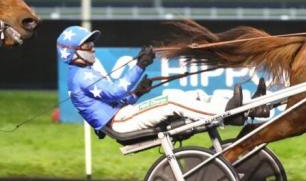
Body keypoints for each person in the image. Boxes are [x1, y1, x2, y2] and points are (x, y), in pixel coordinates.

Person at [57, 25, 233, 134]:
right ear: (72, 52)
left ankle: (231, 105)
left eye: (92, 45)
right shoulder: (81, 76)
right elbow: (116, 91)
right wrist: (140, 65)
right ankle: (225, 113)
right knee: (172, 101)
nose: (92, 49)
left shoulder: (86, 72)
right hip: (121, 122)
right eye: (87, 45)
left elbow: (116, 99)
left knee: (195, 95)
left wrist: (137, 93)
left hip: (124, 116)